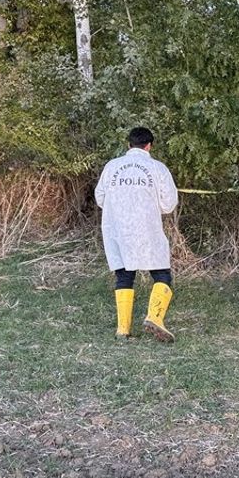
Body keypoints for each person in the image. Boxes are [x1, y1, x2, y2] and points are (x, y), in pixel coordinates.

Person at [94, 127, 180, 342]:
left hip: (116, 228)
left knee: (124, 275)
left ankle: (123, 329)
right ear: (149, 145)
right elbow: (169, 204)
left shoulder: (112, 166)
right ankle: (155, 317)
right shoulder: (157, 168)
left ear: (128, 144)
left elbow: (100, 198)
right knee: (161, 273)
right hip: (147, 227)